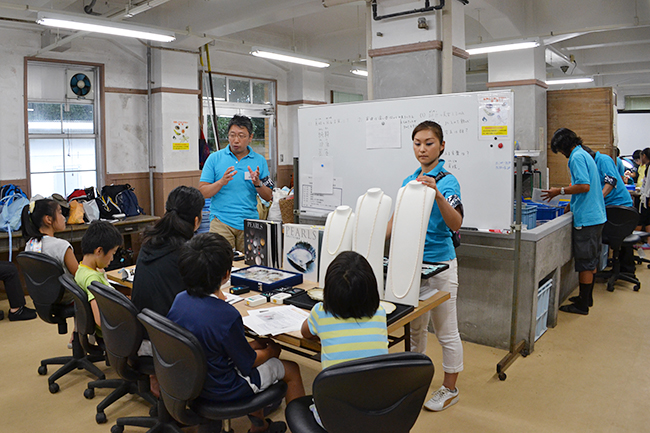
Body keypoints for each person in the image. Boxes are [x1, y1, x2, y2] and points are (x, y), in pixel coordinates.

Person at [168, 233, 304, 433]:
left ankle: (261, 425)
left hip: (193, 381)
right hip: (224, 388)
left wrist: (255, 346)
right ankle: (274, 428)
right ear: (226, 274)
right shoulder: (226, 315)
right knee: (291, 369)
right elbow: (248, 363)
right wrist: (271, 351)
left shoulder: (179, 300)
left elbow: (220, 348)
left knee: (258, 353)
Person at [386, 120, 464, 412]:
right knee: (414, 330)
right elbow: (394, 222)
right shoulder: (409, 180)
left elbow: (456, 222)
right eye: (417, 143)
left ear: (441, 146)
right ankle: (413, 383)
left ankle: (450, 388)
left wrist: (438, 194)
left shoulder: (447, 180)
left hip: (441, 264)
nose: (422, 149)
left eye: (429, 143)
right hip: (411, 264)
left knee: (446, 331)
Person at [542, 128, 606, 315]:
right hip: (596, 216)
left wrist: (558, 191)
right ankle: (587, 298)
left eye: (560, 151)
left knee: (585, 262)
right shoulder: (584, 154)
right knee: (591, 260)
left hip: (587, 219)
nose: (562, 155)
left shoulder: (576, 157)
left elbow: (583, 186)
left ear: (563, 147)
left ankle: (582, 305)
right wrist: (572, 203)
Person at [301, 251, 389, 369]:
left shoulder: (320, 312)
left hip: (335, 386)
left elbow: (305, 333)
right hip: (378, 386)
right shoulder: (380, 312)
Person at [199, 115, 274, 252]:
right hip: (220, 221)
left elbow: (269, 196)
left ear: (250, 138)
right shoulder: (214, 158)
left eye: (241, 135)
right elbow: (203, 192)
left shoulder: (260, 161)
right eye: (232, 135)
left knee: (251, 267)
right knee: (220, 264)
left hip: (250, 222)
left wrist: (258, 183)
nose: (236, 140)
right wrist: (221, 182)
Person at [131, 186, 204, 317]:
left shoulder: (149, 242)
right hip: (170, 331)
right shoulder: (186, 253)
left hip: (147, 325)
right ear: (196, 220)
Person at [21, 199, 77, 304]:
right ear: (48, 219)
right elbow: (79, 276)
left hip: (41, 298)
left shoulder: (30, 244)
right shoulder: (62, 246)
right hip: (65, 298)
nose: (63, 218)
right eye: (60, 213)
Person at [74, 221, 123, 336]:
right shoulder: (92, 279)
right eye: (113, 253)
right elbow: (99, 320)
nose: (112, 259)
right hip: (115, 332)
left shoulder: (81, 269)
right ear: (99, 251)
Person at [637, 148, 650, 232]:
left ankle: (648, 242)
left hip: (648, 197)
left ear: (644, 156)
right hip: (645, 196)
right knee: (644, 219)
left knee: (647, 220)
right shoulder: (646, 167)